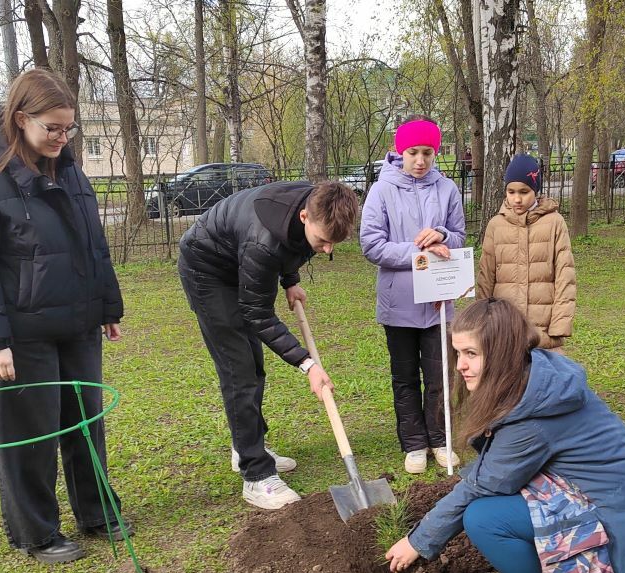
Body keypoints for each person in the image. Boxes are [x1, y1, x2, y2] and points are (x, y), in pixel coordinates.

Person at [386, 298, 625, 573]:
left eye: (471, 354)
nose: (461, 367)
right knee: (490, 503)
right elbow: (497, 467)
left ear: (500, 352)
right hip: (624, 503)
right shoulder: (535, 375)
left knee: (484, 518)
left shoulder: (532, 417)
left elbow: (483, 484)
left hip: (621, 522)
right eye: (458, 353)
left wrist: (418, 541)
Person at [0, 69, 128, 564]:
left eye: (69, 128)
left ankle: (96, 511)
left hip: (78, 325)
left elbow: (94, 245)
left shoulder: (69, 172)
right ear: (21, 118)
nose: (62, 138)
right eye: (52, 127)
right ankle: (37, 532)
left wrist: (107, 307)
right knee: (30, 434)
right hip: (19, 335)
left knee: (85, 424)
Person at [178, 180, 359, 510]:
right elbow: (257, 313)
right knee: (240, 370)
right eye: (323, 241)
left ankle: (247, 446)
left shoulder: (318, 202)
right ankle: (256, 476)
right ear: (305, 216)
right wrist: (308, 365)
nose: (328, 250)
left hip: (241, 259)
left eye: (335, 243)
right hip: (208, 270)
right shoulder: (263, 241)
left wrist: (290, 280)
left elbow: (292, 243)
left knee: (253, 365)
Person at [360, 116, 466, 474]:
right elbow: (372, 245)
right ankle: (414, 443)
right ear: (399, 151)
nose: (420, 160)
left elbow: (459, 237)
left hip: (438, 304)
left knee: (439, 376)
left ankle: (439, 439)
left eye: (427, 153)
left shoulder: (448, 189)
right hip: (399, 303)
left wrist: (442, 236)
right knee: (404, 376)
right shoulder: (381, 190)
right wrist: (418, 255)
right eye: (412, 152)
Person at [477, 153, 576, 352]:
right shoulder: (496, 225)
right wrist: (482, 321)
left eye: (524, 191)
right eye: (511, 191)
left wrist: (557, 327)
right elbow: (486, 277)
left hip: (542, 328)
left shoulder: (554, 223)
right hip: (504, 327)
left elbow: (565, 276)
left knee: (544, 381)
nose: (517, 199)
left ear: (535, 190)